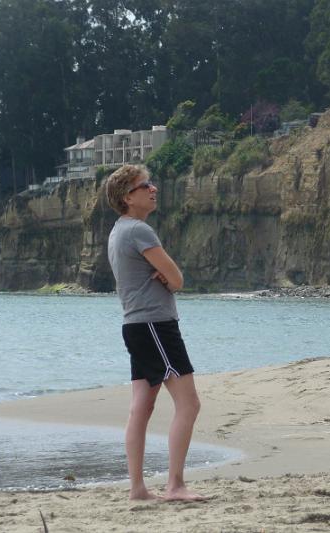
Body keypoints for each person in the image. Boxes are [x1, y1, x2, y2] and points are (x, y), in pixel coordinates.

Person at [105, 164, 205, 501]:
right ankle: (175, 485)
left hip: (134, 326)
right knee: (189, 404)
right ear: (127, 197)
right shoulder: (139, 231)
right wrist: (168, 278)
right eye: (145, 185)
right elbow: (177, 280)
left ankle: (137, 489)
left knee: (141, 408)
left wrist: (165, 277)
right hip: (155, 326)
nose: (153, 189)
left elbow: (167, 278)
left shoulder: (118, 231)